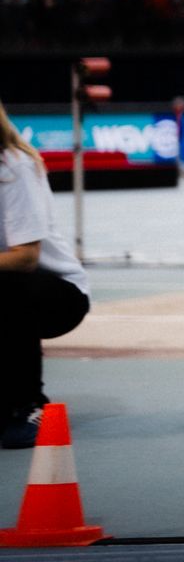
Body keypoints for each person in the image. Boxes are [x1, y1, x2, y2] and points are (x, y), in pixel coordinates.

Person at [0, 100, 90, 449]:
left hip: (58, 294)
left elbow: (25, 258)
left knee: (7, 285)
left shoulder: (13, 167)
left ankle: (30, 406)